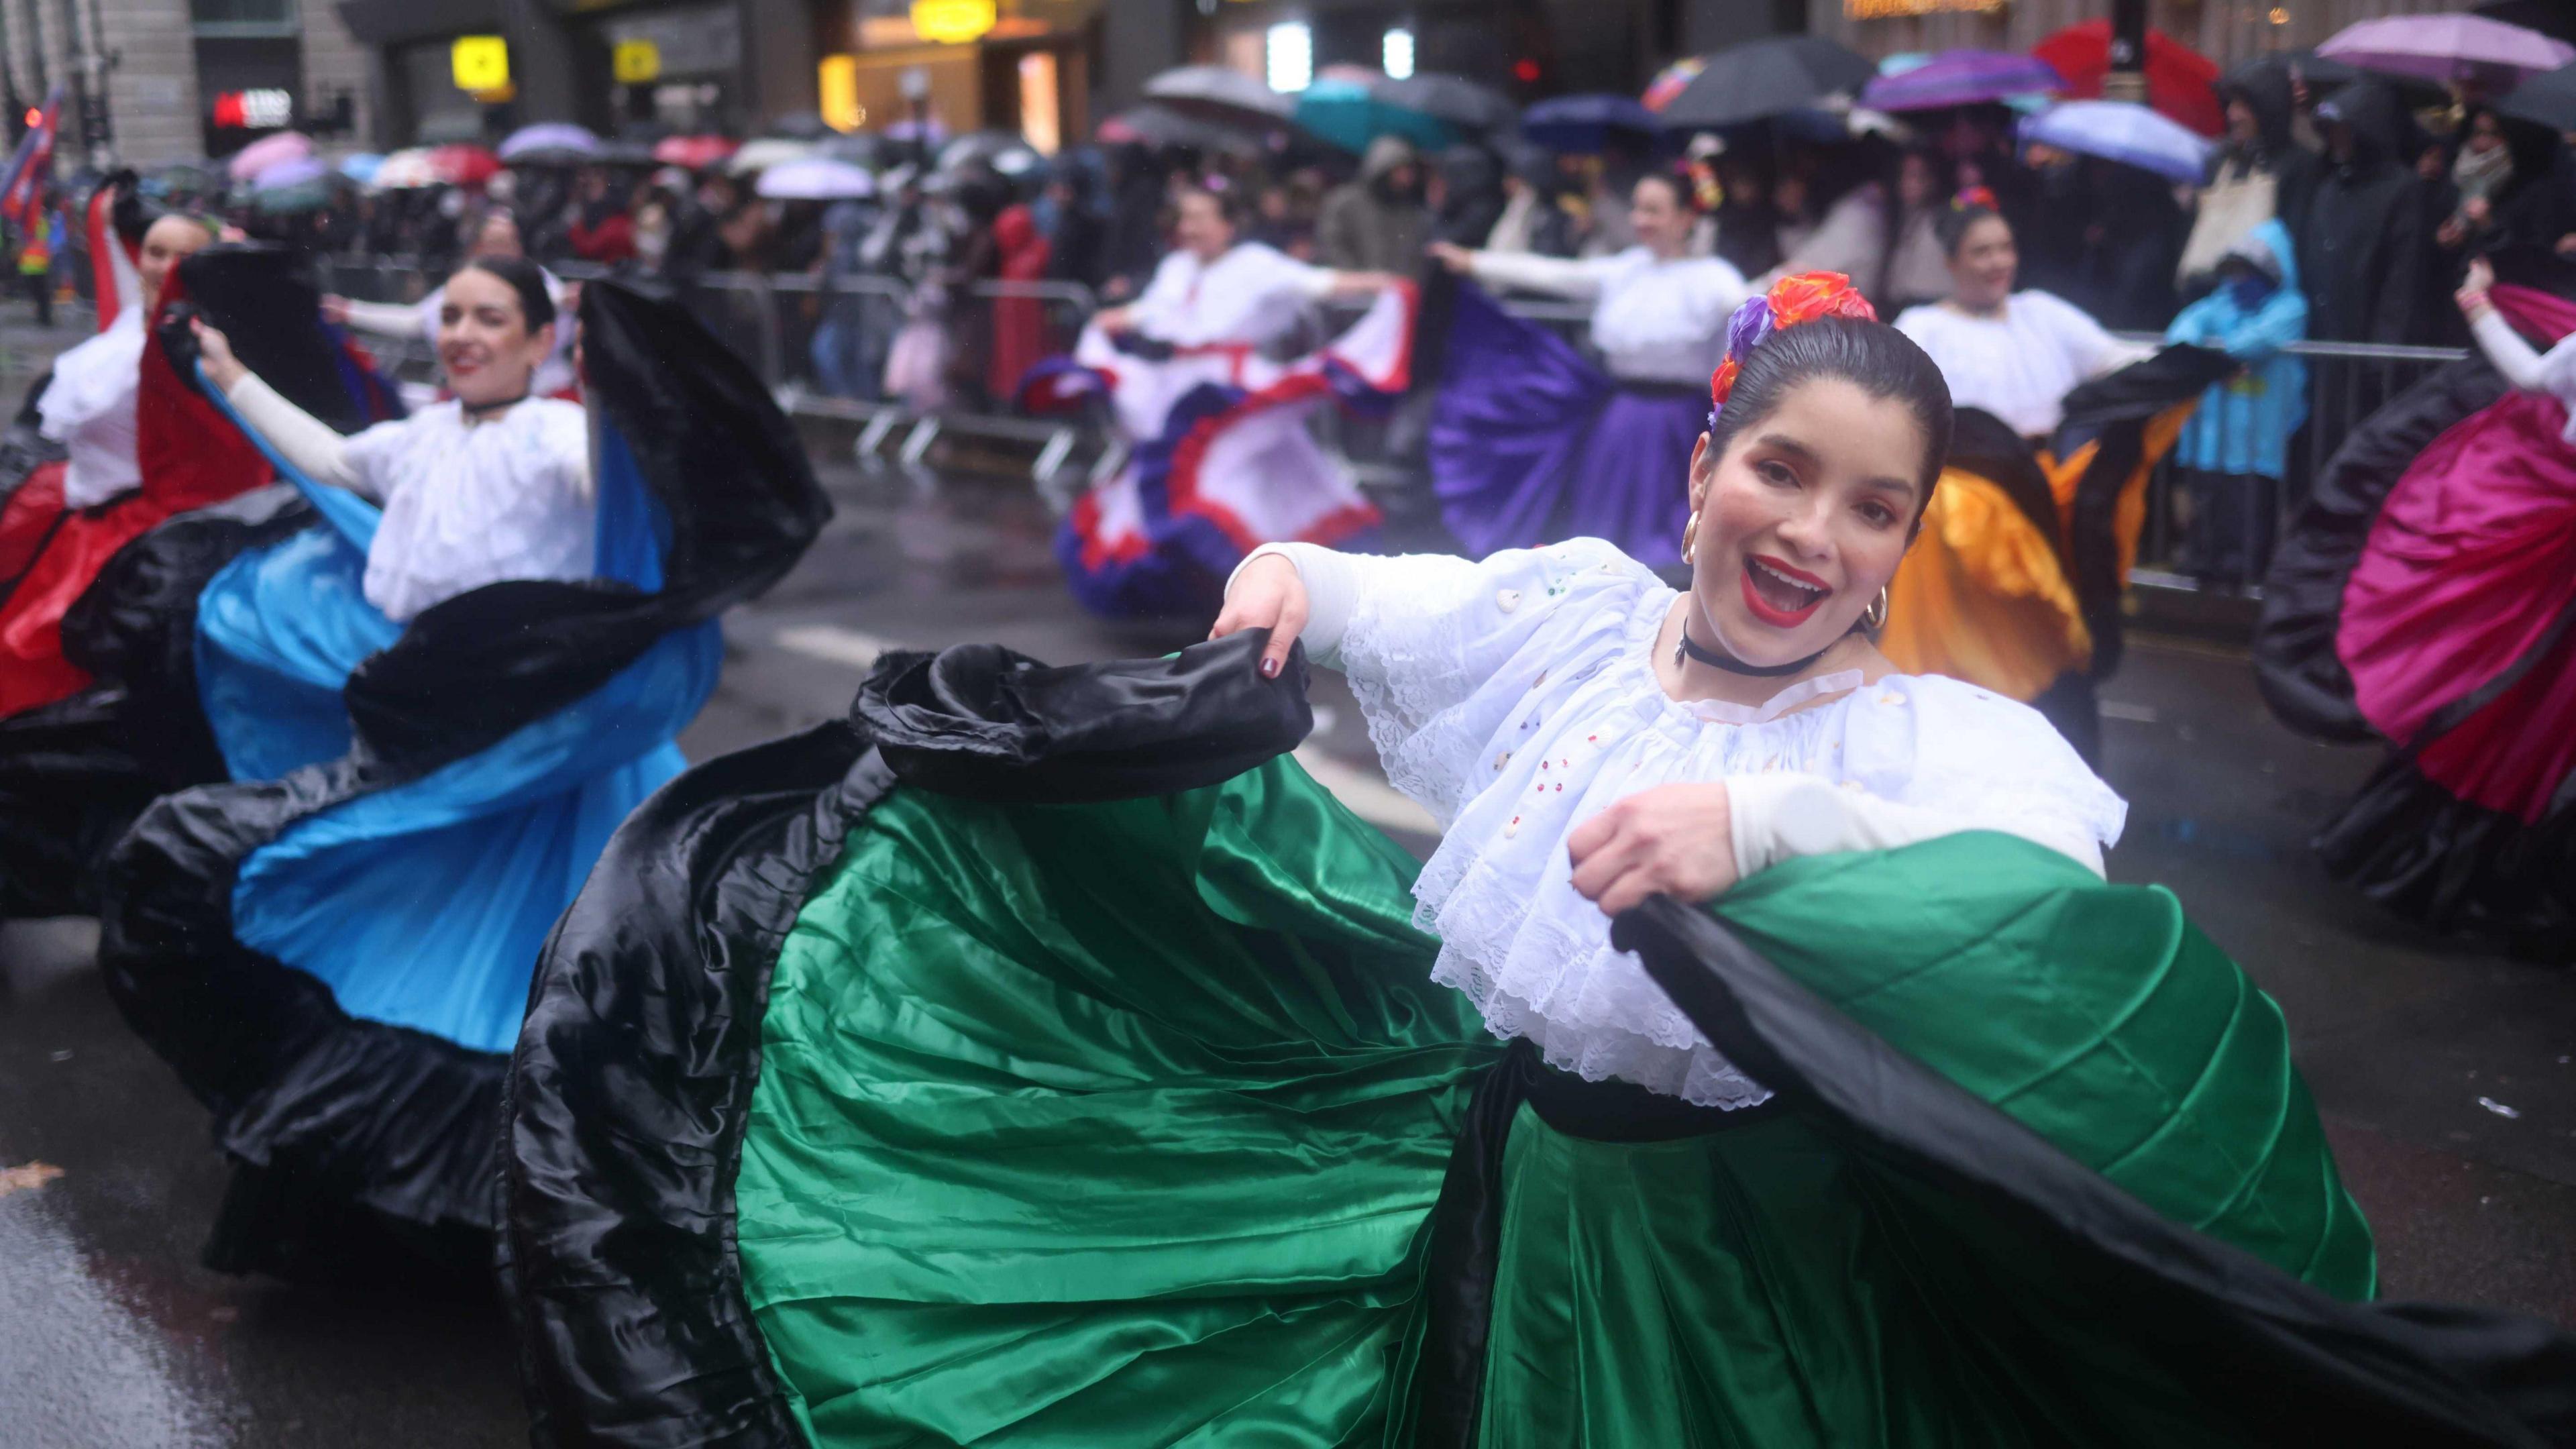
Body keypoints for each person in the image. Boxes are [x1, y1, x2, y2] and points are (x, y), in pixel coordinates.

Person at [505, 270, 2576, 1448]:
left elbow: (2024, 892)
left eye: (1873, 509)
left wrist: (1762, 823)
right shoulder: (1575, 619)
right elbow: (1354, 588)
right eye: (1779, 470)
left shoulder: (1936, 739)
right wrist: (1280, 591)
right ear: (1705, 465)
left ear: (1909, 533)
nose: (1812, 537)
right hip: (1486, 1188)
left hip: (1733, 1278)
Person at [101, 270, 826, 1279]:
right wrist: (226, 372)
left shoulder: (556, 440)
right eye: (450, 316)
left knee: (558, 972)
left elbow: (625, 479)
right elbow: (325, 455)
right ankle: (416, 1202)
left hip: (544, 741)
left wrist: (625, 393)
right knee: (409, 944)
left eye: (491, 319)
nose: (464, 335)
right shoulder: (417, 437)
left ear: (538, 343)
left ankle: (576, 1209)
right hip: (441, 733)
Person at [1040, 182, 1411, 615]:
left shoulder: (1256, 264)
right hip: (1176, 388)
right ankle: (1200, 589)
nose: (1191, 227)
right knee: (1173, 478)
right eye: (1186, 218)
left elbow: (1318, 284)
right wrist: (1118, 319)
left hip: (1232, 395)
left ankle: (1259, 587)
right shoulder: (1177, 266)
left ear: (1230, 224)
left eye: (1202, 217)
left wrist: (1385, 283)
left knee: (1235, 479)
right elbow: (1159, 311)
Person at [1425, 170, 1752, 567]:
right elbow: (1554, 274)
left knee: (1667, 531)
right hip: (1620, 419)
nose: (1640, 220)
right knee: (1604, 528)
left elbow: (1750, 306)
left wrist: (1786, 285)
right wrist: (1475, 261)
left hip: (1677, 423)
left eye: (1654, 210)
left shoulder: (1714, 277)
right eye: (1637, 209)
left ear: (1685, 217)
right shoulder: (1626, 268)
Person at [0, 209, 225, 718]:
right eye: (155, 251)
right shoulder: (127, 325)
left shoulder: (204, 349)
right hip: (84, 530)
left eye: (181, 255)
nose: (164, 266)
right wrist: (105, 215)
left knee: (50, 667)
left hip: (137, 542)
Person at [1895, 190, 2147, 440]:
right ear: (1950, 262)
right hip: (1960, 474)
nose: (1999, 262)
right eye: (1981, 252)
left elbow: (2112, 357)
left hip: (2054, 470)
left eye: (2006, 248)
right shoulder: (1922, 326)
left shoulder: (2040, 310)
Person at [2164, 220, 2307, 587]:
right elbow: (2183, 329)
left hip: (2258, 435)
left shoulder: (2290, 307)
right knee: (2209, 503)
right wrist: (2204, 353)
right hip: (2214, 435)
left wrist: (2212, 356)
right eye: (2235, 270)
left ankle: (2245, 575)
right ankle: (2204, 564)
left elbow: (2257, 341)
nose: (2240, 279)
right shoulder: (2222, 302)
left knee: (2248, 509)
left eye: (2248, 270)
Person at [322, 209, 576, 396]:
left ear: (519, 246)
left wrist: (565, 300)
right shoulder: (465, 284)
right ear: (479, 248)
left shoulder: (542, 282)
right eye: (492, 244)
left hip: (543, 393)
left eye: (506, 243)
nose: (500, 252)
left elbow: (552, 303)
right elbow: (417, 321)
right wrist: (351, 311)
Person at [2299, 80, 2432, 350]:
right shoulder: (2329, 188)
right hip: (2322, 340)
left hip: (2367, 346)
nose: (2336, 138)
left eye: (2343, 129)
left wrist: (2384, 347)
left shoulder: (2401, 189)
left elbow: (2402, 276)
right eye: (2331, 130)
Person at [2180, 68, 2319, 300]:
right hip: (2206, 295)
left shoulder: (2299, 166)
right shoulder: (2221, 160)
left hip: (2263, 300)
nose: (2233, 115)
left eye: (2243, 106)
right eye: (2231, 104)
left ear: (2266, 110)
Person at [1316, 135, 1430, 273]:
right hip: (1346, 286)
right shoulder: (1345, 201)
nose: (1406, 178)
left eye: (1409, 171)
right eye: (1399, 171)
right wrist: (1360, 280)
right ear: (1382, 169)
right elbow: (1330, 243)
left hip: (1391, 290)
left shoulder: (1409, 212)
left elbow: (1412, 256)